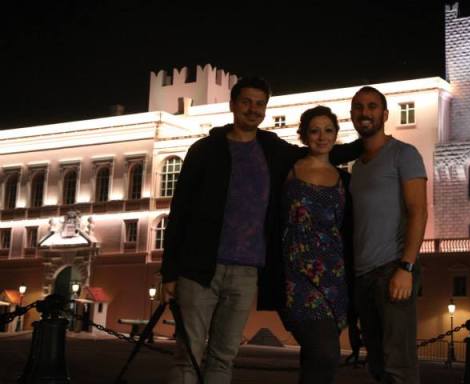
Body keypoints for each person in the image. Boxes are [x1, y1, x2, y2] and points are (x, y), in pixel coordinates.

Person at [160, 77, 361, 384]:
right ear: (232, 105)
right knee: (188, 355)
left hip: (247, 272)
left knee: (223, 357)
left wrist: (371, 142)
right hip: (199, 267)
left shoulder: (272, 150)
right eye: (246, 102)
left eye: (260, 104)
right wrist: (169, 271)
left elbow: (319, 152)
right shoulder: (204, 150)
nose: (253, 110)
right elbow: (180, 210)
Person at [348, 86, 428, 384]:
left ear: (384, 114)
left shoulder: (404, 154)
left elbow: (419, 211)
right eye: (358, 107)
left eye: (371, 106)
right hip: (364, 275)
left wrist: (406, 267)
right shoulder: (357, 167)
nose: (364, 113)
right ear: (352, 115)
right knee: (378, 366)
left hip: (393, 269)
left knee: (399, 365)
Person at [279, 106, 353, 384]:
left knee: (316, 356)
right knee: (326, 353)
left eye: (328, 130)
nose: (322, 136)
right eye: (314, 130)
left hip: (334, 275)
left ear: (336, 135)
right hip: (296, 274)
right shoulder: (289, 170)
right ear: (303, 135)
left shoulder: (344, 178)